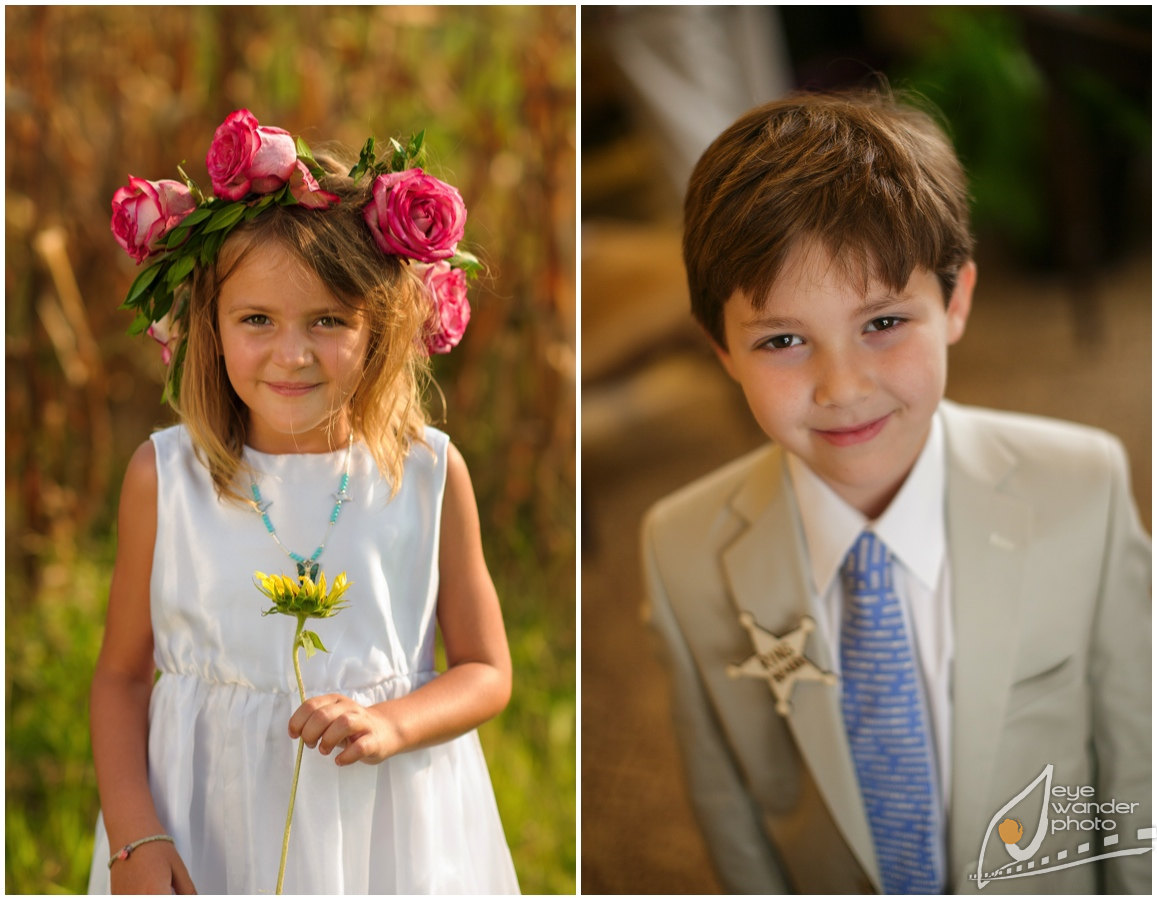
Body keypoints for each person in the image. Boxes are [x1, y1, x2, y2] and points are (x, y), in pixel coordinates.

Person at [641, 89, 1151, 894]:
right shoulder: (679, 549)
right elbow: (727, 801)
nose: (842, 388)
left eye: (881, 323)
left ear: (956, 302)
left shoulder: (1083, 487)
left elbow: (1135, 768)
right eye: (782, 340)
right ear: (722, 352)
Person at [90, 109, 519, 894]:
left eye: (327, 321)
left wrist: (392, 722)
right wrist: (134, 837)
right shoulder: (166, 479)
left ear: (378, 328)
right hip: (207, 823)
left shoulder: (426, 473)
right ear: (211, 328)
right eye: (257, 320)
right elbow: (121, 677)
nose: (291, 355)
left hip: (385, 830)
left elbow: (487, 669)